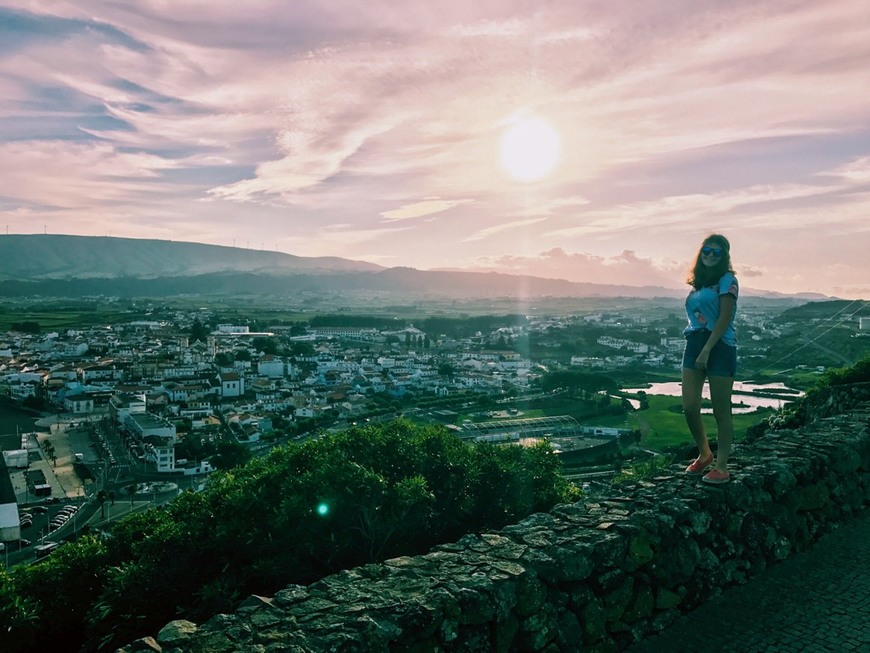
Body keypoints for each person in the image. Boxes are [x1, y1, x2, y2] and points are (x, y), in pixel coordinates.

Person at [681, 234, 738, 484]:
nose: (711, 255)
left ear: (724, 256)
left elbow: (725, 317)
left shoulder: (727, 280)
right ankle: (705, 453)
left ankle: (722, 466)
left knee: (721, 410)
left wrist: (707, 349)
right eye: (707, 250)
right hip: (694, 342)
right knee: (690, 406)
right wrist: (699, 347)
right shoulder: (699, 283)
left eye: (717, 252)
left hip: (720, 346)